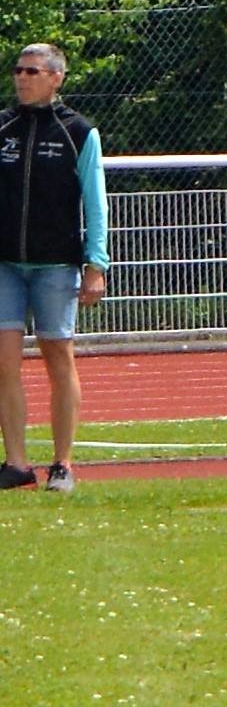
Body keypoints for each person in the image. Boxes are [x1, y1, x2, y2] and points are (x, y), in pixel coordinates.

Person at [0, 43, 109, 492]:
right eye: (18, 70)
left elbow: (96, 203)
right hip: (5, 263)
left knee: (58, 360)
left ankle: (62, 463)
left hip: (56, 264)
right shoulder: (3, 126)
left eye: (32, 71)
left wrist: (96, 263)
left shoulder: (78, 131)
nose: (22, 78)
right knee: (5, 363)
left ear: (56, 77)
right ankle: (16, 463)